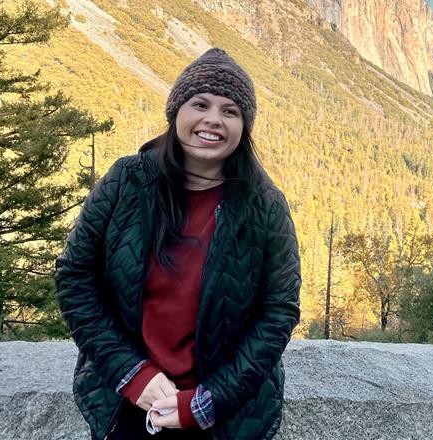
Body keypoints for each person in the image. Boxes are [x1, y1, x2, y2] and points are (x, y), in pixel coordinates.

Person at [55, 48, 301, 440]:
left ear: (244, 127)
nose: (213, 120)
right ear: (176, 112)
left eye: (230, 111)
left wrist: (207, 401)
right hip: (129, 402)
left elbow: (278, 312)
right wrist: (130, 373)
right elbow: (75, 277)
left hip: (225, 412)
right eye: (200, 104)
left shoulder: (264, 205)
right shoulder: (127, 181)